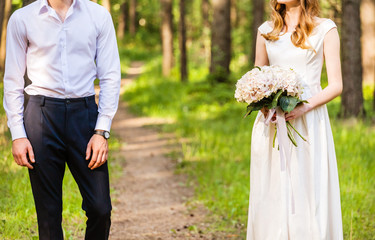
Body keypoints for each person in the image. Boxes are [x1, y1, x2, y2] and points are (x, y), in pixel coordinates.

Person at [3, 0, 121, 238]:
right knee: (48, 214)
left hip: (85, 117)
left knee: (100, 208)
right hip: (41, 117)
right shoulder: (22, 18)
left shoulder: (98, 16)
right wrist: (18, 134)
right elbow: (13, 81)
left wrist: (101, 131)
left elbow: (110, 76)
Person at [246, 0, 343, 239]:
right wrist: (264, 109)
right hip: (271, 123)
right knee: (272, 187)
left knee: (308, 186)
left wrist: (303, 108)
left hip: (309, 121)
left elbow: (337, 85)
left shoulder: (325, 29)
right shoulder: (265, 31)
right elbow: (256, 78)